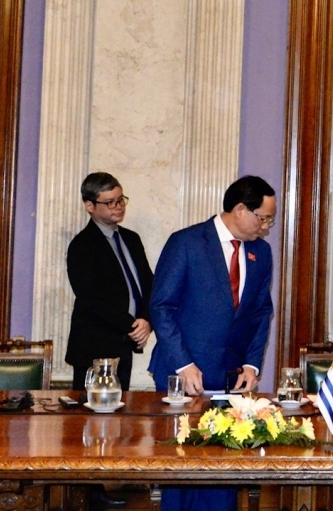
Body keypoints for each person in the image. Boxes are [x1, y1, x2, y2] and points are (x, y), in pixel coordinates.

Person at [148, 175, 276, 511]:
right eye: (262, 218)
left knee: (222, 468)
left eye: (269, 220)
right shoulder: (187, 242)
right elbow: (162, 307)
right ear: (238, 209)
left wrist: (251, 364)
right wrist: (183, 364)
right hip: (181, 373)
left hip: (229, 376)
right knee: (181, 466)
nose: (265, 227)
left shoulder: (260, 253)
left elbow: (262, 312)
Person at [66, 172, 153, 392]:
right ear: (90, 205)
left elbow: (148, 284)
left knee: (120, 413)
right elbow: (92, 299)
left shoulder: (131, 239)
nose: (118, 206)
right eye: (110, 202)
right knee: (92, 418)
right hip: (94, 347)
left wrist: (146, 320)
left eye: (121, 199)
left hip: (125, 343)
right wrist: (133, 326)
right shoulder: (82, 245)